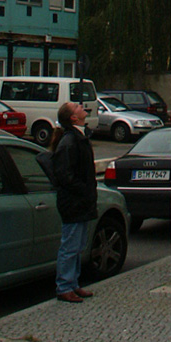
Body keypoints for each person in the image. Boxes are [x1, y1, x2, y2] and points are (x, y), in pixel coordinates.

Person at [51, 101, 98, 303]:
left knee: (77, 245)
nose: (81, 107)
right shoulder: (70, 141)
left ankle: (73, 283)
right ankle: (64, 286)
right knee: (70, 245)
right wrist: (84, 190)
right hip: (73, 202)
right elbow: (64, 175)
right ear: (73, 117)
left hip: (81, 201)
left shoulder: (78, 138)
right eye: (77, 107)